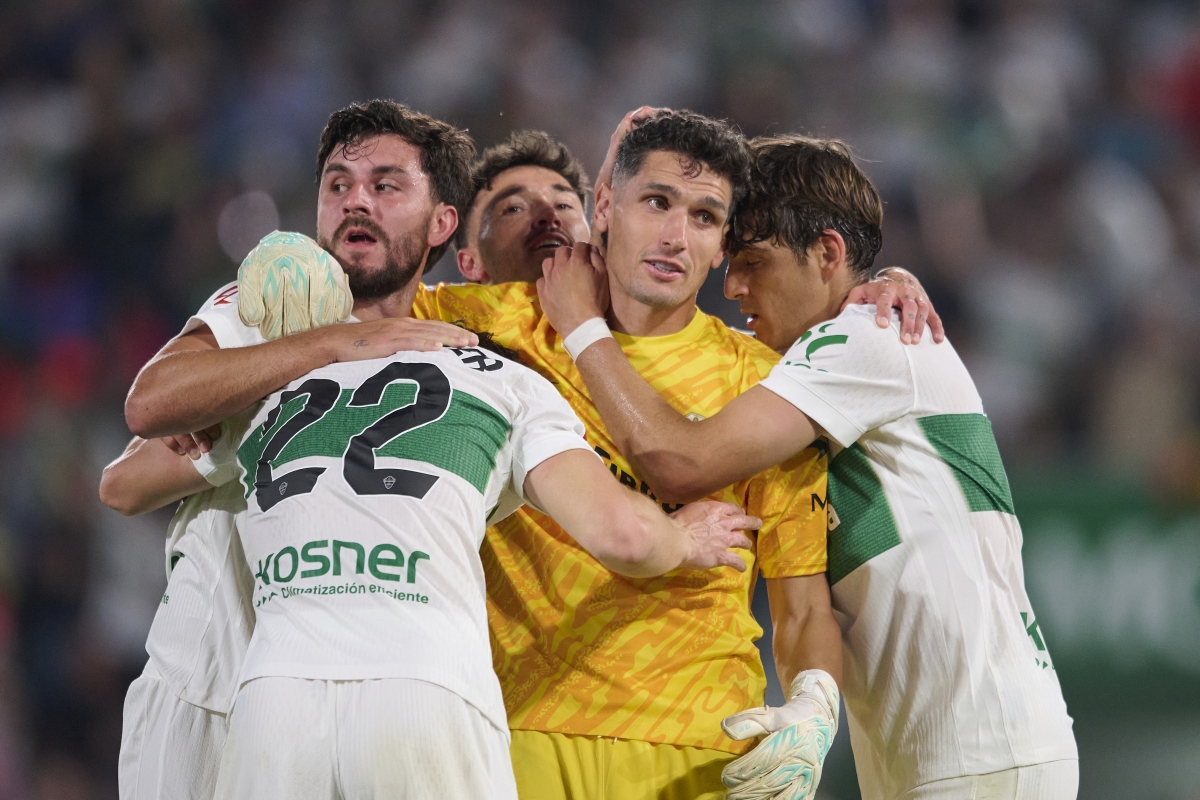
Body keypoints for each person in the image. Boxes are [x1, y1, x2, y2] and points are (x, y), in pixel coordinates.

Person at [104, 233, 761, 799]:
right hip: (426, 687)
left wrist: (217, 408)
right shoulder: (513, 383)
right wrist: (679, 537)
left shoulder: (285, 374)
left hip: (273, 693)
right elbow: (622, 534)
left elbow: (126, 478)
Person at [536, 133, 1079, 800]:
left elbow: (679, 461)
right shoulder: (850, 342)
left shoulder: (868, 337)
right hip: (951, 752)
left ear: (826, 253)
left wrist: (581, 325)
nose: (732, 287)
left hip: (979, 748)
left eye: (754, 263)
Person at [105, 101, 481, 800]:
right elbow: (130, 464)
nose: (355, 202)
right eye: (337, 185)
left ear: (442, 222)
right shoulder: (277, 302)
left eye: (385, 185)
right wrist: (326, 348)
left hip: (357, 698)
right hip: (205, 691)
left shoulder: (451, 356)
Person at [454, 130, 592, 284]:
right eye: (514, 208)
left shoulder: (622, 304)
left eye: (563, 205)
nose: (549, 215)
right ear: (471, 263)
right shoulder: (427, 305)